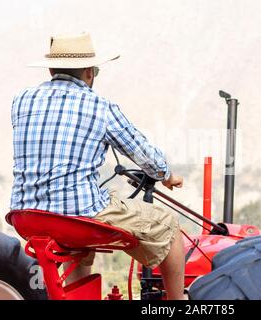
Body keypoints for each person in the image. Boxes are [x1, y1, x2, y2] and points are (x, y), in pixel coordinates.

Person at [10, 32, 186, 300]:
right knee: (169, 225)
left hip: (27, 215)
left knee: (76, 234)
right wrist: (166, 175)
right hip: (75, 212)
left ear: (50, 69)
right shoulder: (100, 107)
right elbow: (143, 154)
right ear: (90, 72)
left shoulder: (21, 100)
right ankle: (179, 302)